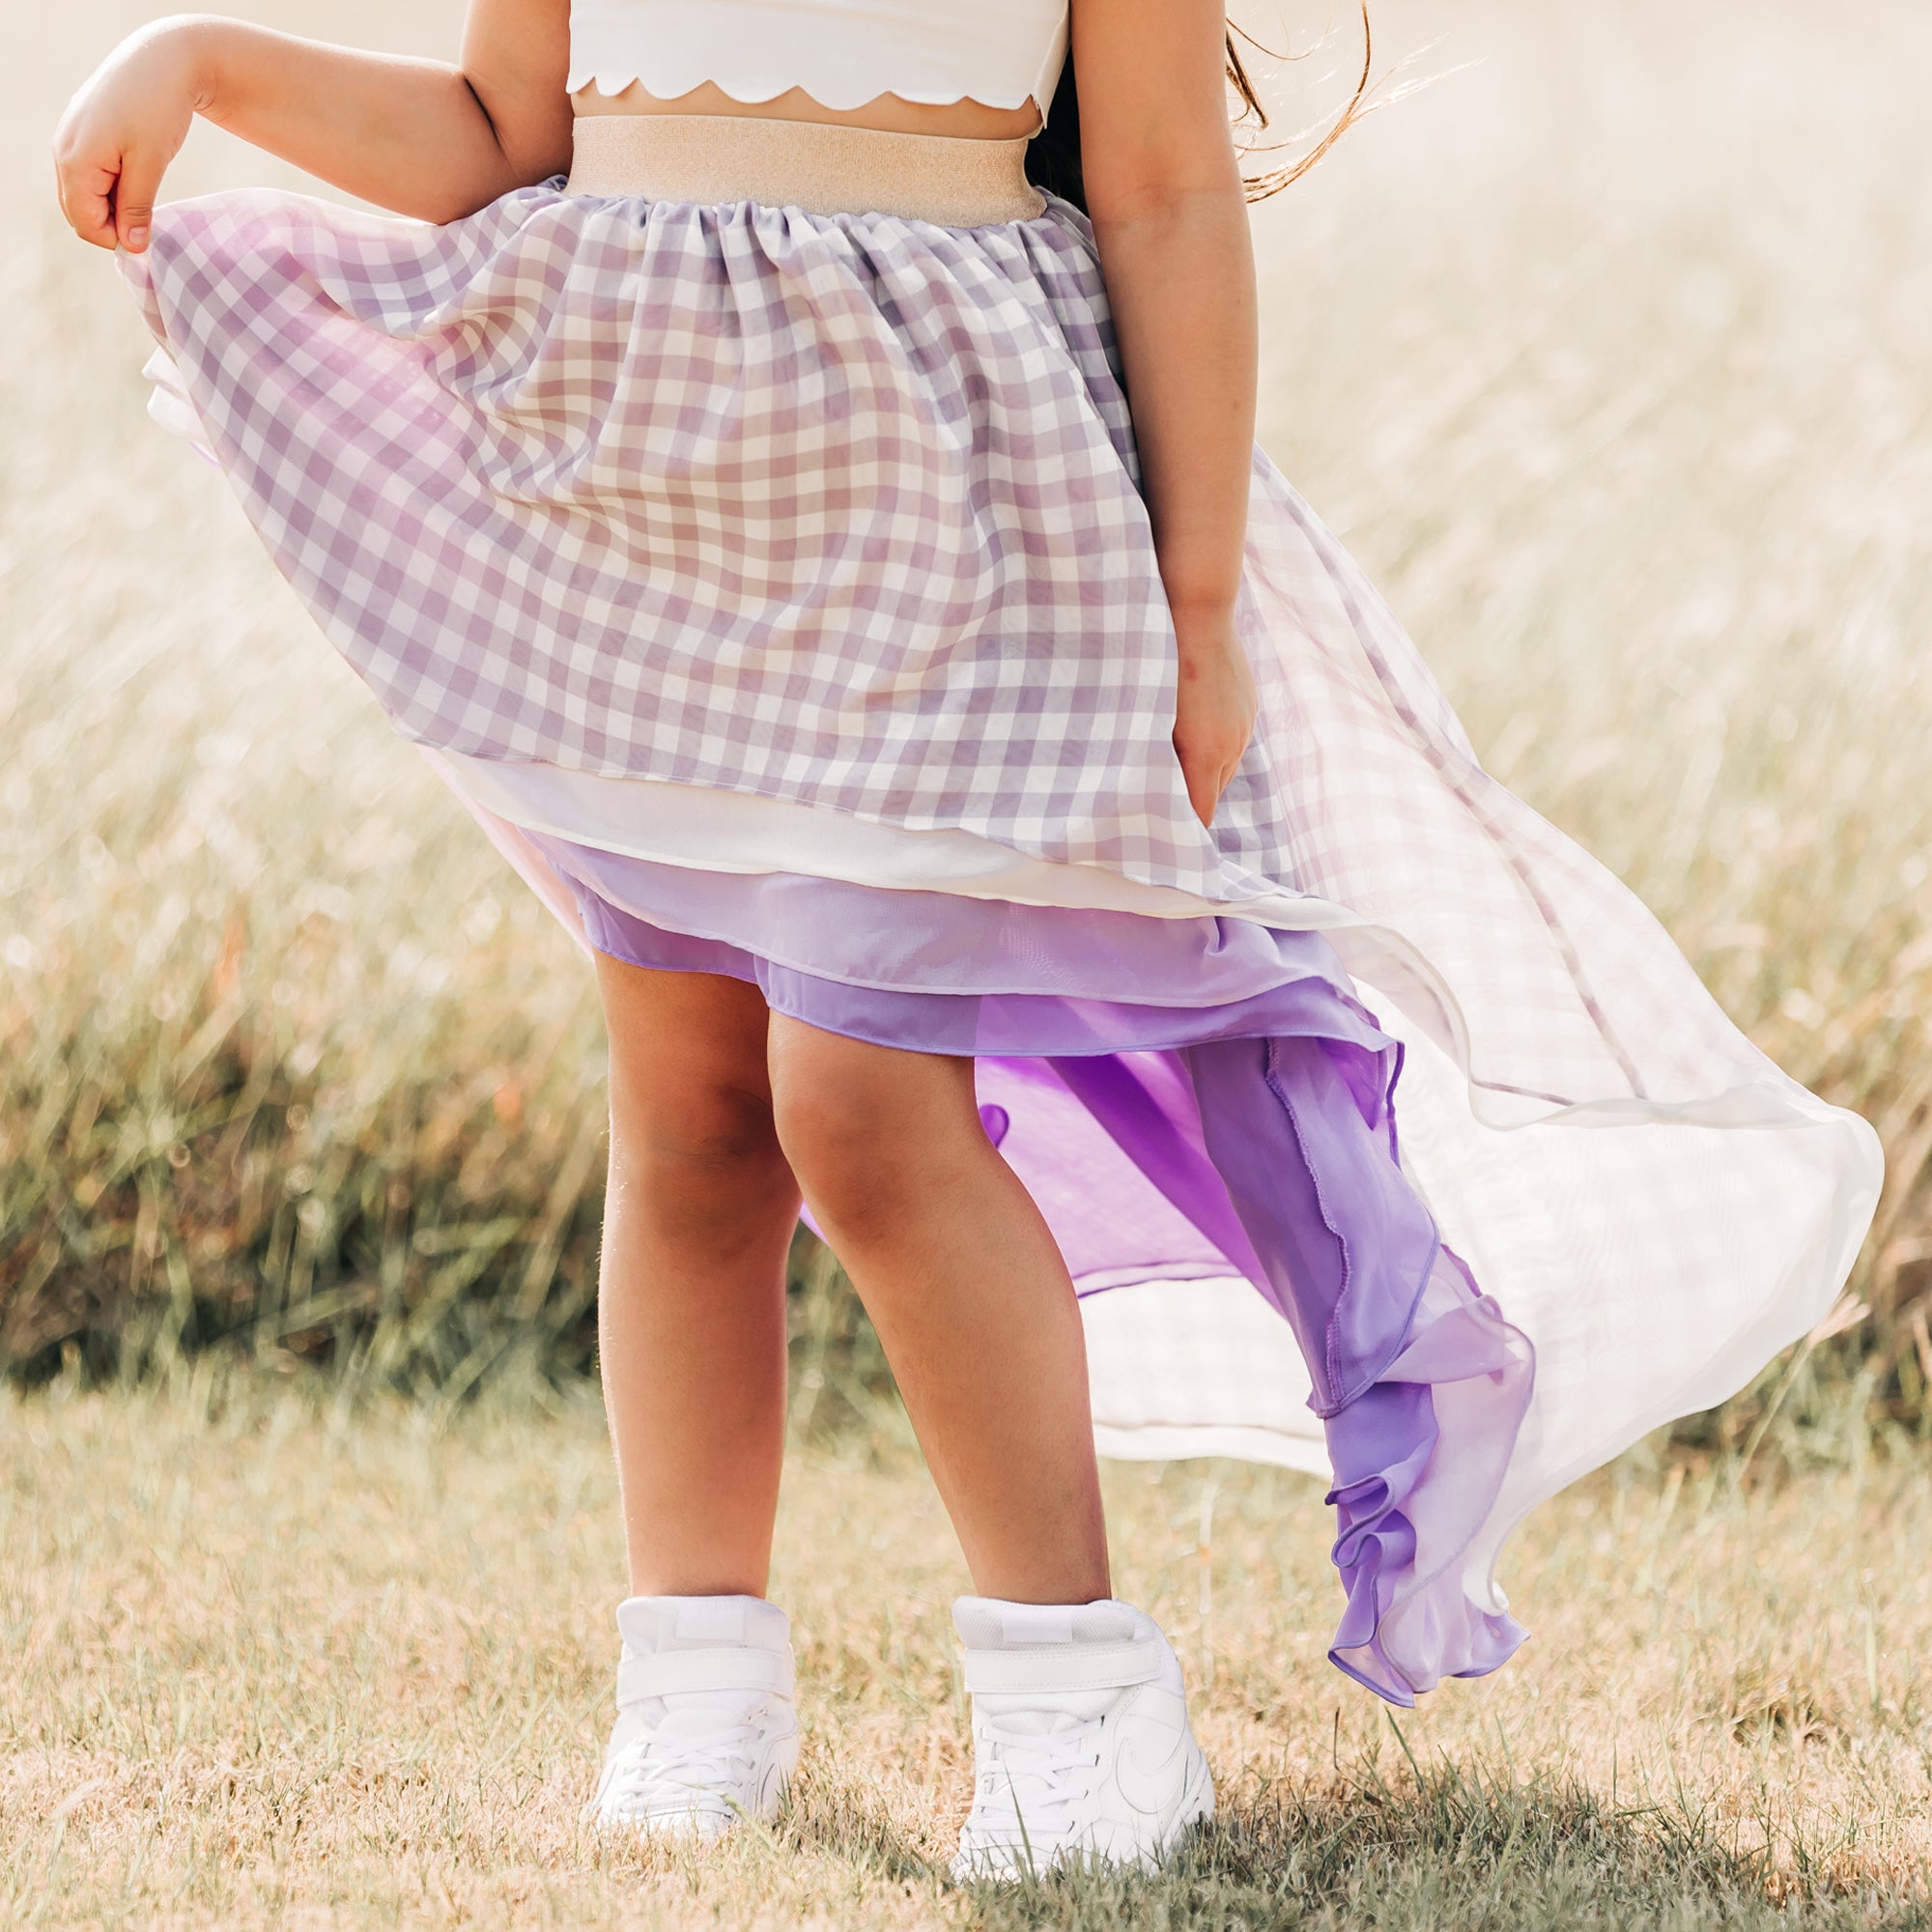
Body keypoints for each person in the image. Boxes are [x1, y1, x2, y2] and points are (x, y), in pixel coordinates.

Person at [53, 0, 1880, 1879]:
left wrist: (1198, 601)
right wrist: (209, 63)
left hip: (943, 520)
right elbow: (508, 132)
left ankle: (1073, 1688)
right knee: (690, 1109)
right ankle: (695, 1678)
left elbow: (1163, 191)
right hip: (647, 500)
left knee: (856, 1096)